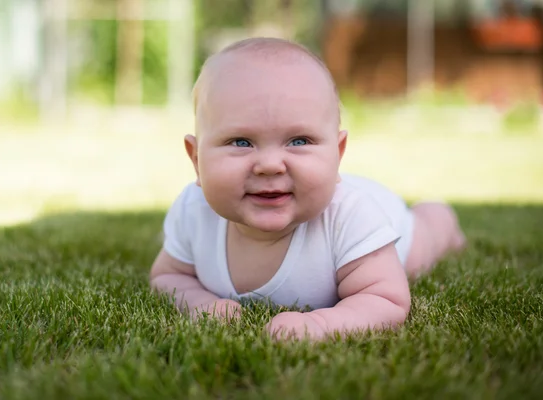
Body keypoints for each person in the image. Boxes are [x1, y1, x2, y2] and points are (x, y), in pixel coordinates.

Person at [149, 37, 466, 341]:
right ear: (196, 160)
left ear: (337, 154)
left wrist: (320, 324)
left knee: (423, 245)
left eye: (299, 141)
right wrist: (200, 303)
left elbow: (386, 299)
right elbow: (168, 277)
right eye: (241, 142)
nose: (270, 164)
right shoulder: (194, 211)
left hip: (390, 221)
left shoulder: (352, 217)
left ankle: (438, 217)